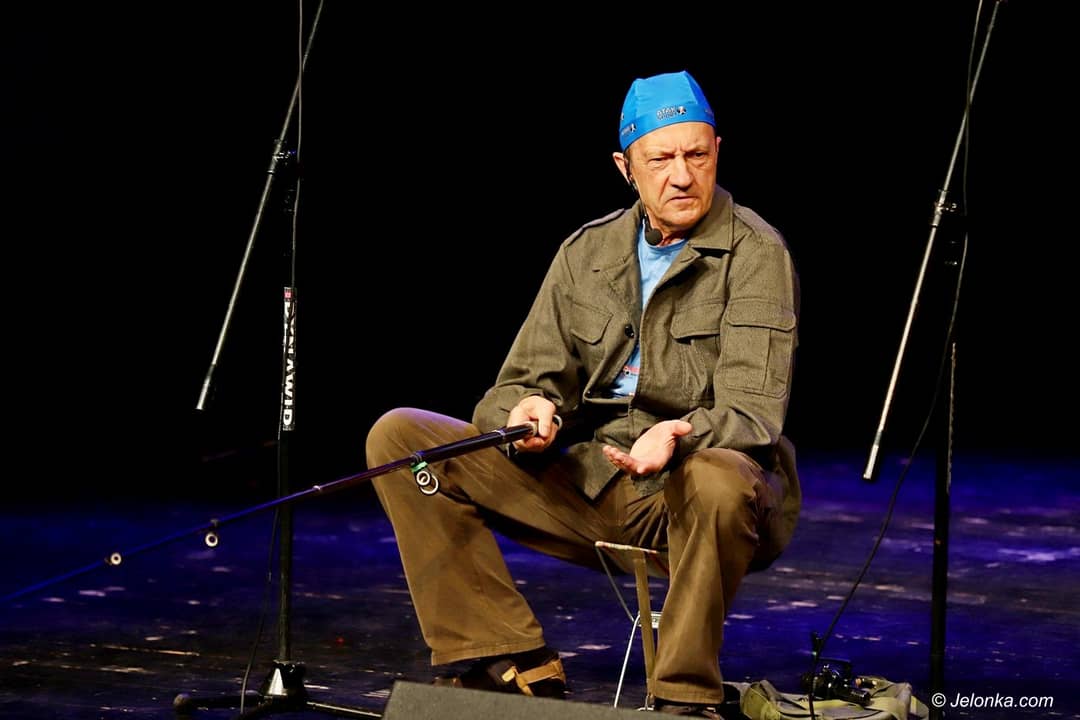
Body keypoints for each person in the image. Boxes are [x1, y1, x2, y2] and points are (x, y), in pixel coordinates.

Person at [365, 69, 800, 718]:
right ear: (626, 168)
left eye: (696, 155)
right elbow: (518, 383)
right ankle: (506, 655)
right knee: (402, 439)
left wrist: (679, 434)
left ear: (717, 152)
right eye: (661, 160)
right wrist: (526, 409)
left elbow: (752, 412)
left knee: (716, 476)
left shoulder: (755, 251)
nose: (682, 176)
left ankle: (683, 697)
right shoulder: (588, 252)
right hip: (591, 482)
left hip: (693, 495)